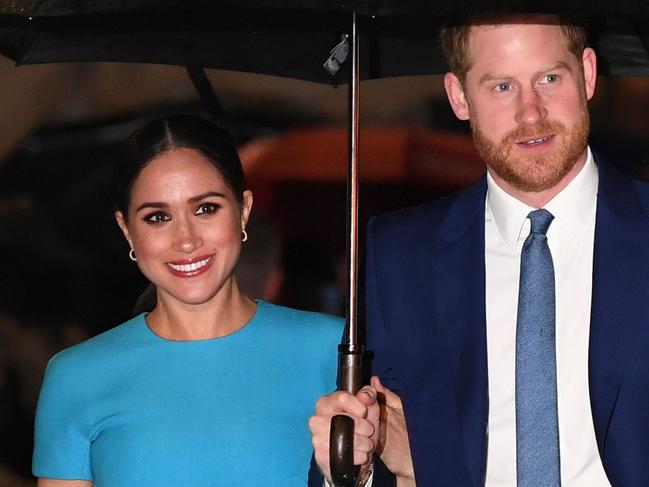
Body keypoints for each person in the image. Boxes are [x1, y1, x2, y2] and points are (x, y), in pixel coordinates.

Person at [309, 13, 649, 487]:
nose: (531, 113)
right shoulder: (400, 257)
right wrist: (356, 468)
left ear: (587, 73)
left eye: (549, 78)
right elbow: (375, 453)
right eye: (501, 87)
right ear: (459, 96)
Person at [32, 115, 343, 486]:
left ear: (243, 210)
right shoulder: (76, 377)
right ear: (126, 229)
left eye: (205, 208)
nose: (186, 240)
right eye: (158, 217)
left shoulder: (335, 349)